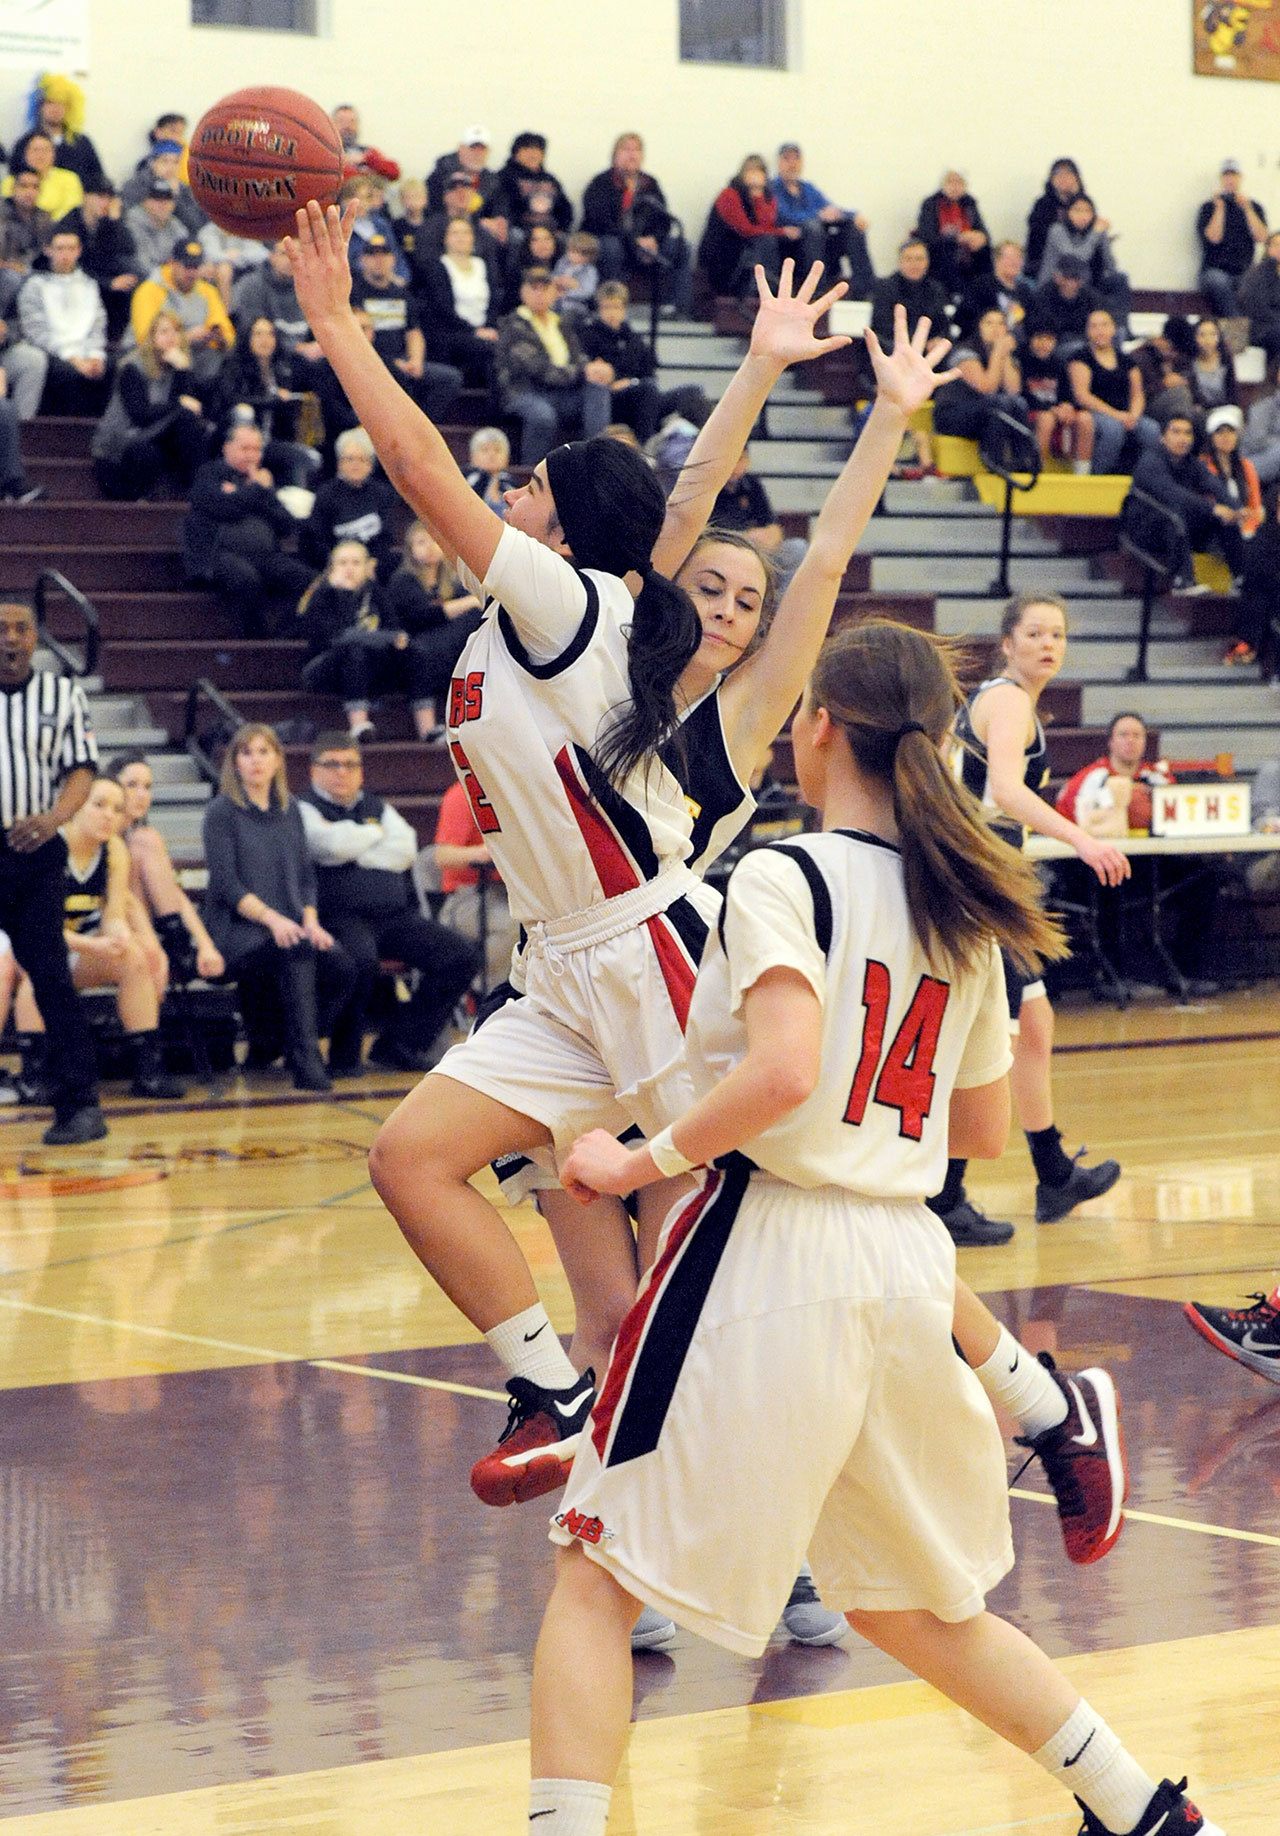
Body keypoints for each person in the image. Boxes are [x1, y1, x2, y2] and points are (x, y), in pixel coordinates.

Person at [531, 618, 1218, 1836]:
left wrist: (631, 1157)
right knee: (914, 1609)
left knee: (591, 1573)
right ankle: (1141, 1811)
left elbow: (784, 1072)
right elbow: (986, 1134)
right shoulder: (958, 905)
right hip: (903, 1262)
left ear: (818, 729)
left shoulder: (780, 876)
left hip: (765, 1246)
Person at [284, 202, 854, 1493]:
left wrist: (337, 327)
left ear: (563, 523)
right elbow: (682, 491)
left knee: (757, 1244)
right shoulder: (545, 614)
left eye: (531, 483)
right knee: (412, 1160)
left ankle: (996, 1405)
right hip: (563, 967)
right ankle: (550, 1387)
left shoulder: (574, 600)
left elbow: (425, 470)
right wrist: (759, 364)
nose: (509, 491)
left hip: (652, 946)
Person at [931, 594, 1129, 1246]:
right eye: (1035, 632)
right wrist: (1085, 840)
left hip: (987, 884)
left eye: (1058, 634)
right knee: (982, 1036)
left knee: (1031, 1025)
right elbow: (1006, 795)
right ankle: (947, 1194)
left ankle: (1051, 1173)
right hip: (977, 886)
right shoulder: (1010, 701)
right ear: (1008, 643)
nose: (1049, 643)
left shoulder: (1005, 701)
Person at [298, 733, 480, 1073]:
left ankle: (400, 1044)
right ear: (314, 770)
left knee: (459, 956)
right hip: (337, 915)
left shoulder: (377, 806)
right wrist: (373, 837)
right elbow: (329, 845)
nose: (342, 772)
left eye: (351, 764)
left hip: (394, 916)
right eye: (332, 764)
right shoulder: (303, 808)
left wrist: (353, 846)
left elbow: (406, 848)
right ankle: (344, 1055)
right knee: (361, 960)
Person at [201, 723, 358, 1092]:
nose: (255, 761)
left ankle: (283, 1039)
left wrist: (311, 920)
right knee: (296, 951)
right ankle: (307, 1062)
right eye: (246, 752)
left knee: (343, 966)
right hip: (235, 928)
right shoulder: (221, 812)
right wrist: (272, 919)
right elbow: (226, 885)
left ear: (277, 760)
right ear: (235, 763)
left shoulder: (291, 812)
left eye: (263, 752)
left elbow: (305, 876)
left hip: (288, 924)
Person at [0, 600, 106, 1144]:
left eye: (20, 628)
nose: (10, 638)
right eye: (1, 629)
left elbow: (82, 771)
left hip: (33, 850)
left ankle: (80, 1104)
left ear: (36, 637)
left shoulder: (62, 694)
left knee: (50, 976)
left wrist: (53, 820)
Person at [13, 775, 185, 1102]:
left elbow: (114, 915)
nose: (109, 815)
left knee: (133, 958)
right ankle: (33, 1076)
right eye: (99, 805)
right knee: (42, 971)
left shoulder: (115, 850)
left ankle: (147, 1071)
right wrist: (94, 945)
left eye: (117, 809)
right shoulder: (46, 848)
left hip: (74, 943)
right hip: (27, 942)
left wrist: (118, 936)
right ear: (75, 808)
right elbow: (37, 931)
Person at [298, 538, 449, 744]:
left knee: (415, 652)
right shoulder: (323, 594)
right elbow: (337, 637)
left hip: (367, 667)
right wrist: (343, 593)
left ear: (368, 567)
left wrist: (391, 640)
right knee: (353, 650)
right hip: (325, 667)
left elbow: (395, 631)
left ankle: (428, 729)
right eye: (343, 563)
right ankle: (359, 727)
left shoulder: (375, 591)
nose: (349, 569)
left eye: (356, 563)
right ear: (332, 568)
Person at [182, 422, 313, 635]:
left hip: (265, 556)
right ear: (227, 448)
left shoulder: (261, 482)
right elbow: (226, 509)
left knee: (309, 580)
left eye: (257, 449)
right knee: (246, 579)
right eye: (245, 448)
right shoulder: (209, 474)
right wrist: (257, 491)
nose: (252, 456)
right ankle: (255, 640)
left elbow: (285, 525)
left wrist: (265, 493)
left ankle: (285, 632)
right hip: (218, 554)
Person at [110, 751, 225, 985]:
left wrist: (205, 944)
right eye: (132, 785)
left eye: (147, 787)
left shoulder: (138, 837)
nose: (142, 795)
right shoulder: (106, 835)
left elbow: (172, 892)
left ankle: (177, 946)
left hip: (144, 925)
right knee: (145, 840)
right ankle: (176, 947)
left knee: (145, 839)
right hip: (107, 922)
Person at [495, 266, 614, 463]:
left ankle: (597, 460)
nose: (540, 294)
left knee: (598, 389)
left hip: (562, 392)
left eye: (545, 288)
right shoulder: (513, 325)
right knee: (543, 415)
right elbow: (539, 369)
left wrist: (595, 370)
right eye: (534, 289)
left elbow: (578, 357)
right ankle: (531, 473)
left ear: (554, 293)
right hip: (524, 391)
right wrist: (584, 371)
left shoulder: (561, 322)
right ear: (523, 292)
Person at [91, 309, 210, 500]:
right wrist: (179, 404)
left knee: (190, 424)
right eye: (164, 332)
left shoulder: (178, 364)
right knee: (149, 451)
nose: (171, 337)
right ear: (152, 338)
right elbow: (141, 415)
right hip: (122, 441)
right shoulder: (132, 367)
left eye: (176, 331)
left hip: (154, 434)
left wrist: (183, 371)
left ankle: (200, 490)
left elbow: (187, 409)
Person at [348, 232, 462, 422]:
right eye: (372, 255)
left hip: (403, 360)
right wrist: (393, 364)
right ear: (362, 260)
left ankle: (422, 426)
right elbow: (357, 339)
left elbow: (414, 332)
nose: (379, 260)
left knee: (450, 378)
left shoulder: (402, 294)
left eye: (384, 255)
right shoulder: (354, 294)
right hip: (371, 364)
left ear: (393, 259)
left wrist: (415, 360)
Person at [382, 519, 483, 731]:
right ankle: (427, 730)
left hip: (443, 650)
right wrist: (471, 601)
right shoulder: (402, 580)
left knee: (474, 621)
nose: (429, 547)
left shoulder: (452, 579)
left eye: (434, 541)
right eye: (421, 542)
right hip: (408, 650)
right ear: (409, 549)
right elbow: (423, 616)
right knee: (423, 654)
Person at [1129, 411, 1246, 591]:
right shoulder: (1150, 461)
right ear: (1162, 437)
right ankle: (1183, 581)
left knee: (1226, 520)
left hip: (1178, 525)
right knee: (1177, 517)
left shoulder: (1192, 463)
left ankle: (1241, 579)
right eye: (1176, 432)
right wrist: (1213, 508)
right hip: (1145, 527)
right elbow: (1172, 494)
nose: (1182, 438)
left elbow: (1214, 485)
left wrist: (1237, 509)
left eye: (1187, 433)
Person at [580, 132, 693, 316]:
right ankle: (612, 306)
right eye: (626, 149)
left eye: (636, 150)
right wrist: (634, 241)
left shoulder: (650, 184)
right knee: (611, 247)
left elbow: (663, 220)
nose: (632, 154)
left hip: (645, 244)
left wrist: (654, 239)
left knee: (682, 247)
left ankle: (678, 309)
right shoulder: (601, 183)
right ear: (615, 154)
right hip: (616, 241)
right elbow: (599, 221)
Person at [211, 314, 319, 490]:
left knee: (310, 458)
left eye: (270, 334)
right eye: (258, 334)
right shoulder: (233, 364)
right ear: (248, 337)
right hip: (235, 438)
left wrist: (291, 401)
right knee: (244, 411)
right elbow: (229, 400)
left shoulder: (283, 368)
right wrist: (272, 401)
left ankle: (295, 509)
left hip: (270, 439)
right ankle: (242, 478)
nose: (265, 340)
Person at [433, 777, 519, 988]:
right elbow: (442, 856)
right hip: (466, 898)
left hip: (508, 892)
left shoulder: (512, 792)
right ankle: (485, 994)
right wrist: (483, 853)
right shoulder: (462, 794)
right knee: (513, 925)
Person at [17, 227, 109, 414]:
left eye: (70, 248)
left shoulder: (89, 284)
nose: (65, 254)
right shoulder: (34, 286)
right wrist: (73, 358)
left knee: (110, 367)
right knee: (68, 373)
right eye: (60, 248)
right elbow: (36, 332)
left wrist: (95, 355)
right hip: (52, 351)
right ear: (48, 250)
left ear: (78, 251)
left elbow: (97, 325)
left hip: (84, 350)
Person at [1202, 403, 1267, 663]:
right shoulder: (1203, 466)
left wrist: (1249, 523)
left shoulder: (1246, 467)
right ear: (1211, 437)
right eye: (1220, 432)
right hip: (1216, 531)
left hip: (1246, 532)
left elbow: (1256, 507)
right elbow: (1206, 504)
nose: (1226, 437)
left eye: (1230, 432)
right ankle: (1242, 574)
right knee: (1228, 527)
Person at [770, 141, 874, 296]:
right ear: (779, 162)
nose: (792, 164)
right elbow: (783, 215)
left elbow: (829, 209)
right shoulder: (772, 188)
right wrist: (817, 216)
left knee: (853, 228)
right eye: (787, 159)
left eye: (796, 159)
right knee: (813, 227)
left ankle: (865, 289)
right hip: (791, 247)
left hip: (819, 246)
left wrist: (853, 215)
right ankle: (817, 289)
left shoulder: (807, 188)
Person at [129, 238, 235, 388]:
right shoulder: (149, 290)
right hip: (147, 361)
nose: (192, 273)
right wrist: (186, 338)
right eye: (187, 266)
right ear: (172, 263)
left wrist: (218, 337)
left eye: (196, 267)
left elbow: (227, 334)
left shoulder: (207, 291)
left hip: (193, 359)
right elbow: (146, 340)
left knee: (219, 360)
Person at [1067, 306, 1157, 475]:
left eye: (1104, 325)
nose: (1100, 330)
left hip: (1125, 414)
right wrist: (1116, 415)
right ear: (1087, 331)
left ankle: (1143, 479)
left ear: (1114, 329)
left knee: (1151, 430)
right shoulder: (1080, 358)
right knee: (1113, 429)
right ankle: (1099, 476)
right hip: (1094, 413)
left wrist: (1133, 416)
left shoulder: (1127, 361)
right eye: (1094, 326)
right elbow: (1082, 395)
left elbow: (1137, 394)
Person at [303, 426, 401, 577]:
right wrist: (339, 564)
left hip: (372, 566)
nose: (356, 464)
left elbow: (386, 536)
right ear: (340, 463)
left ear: (370, 465)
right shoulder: (326, 494)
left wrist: (372, 563)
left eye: (362, 459)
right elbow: (316, 539)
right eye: (350, 459)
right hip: (335, 565)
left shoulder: (383, 494)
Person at [417, 216, 502, 385]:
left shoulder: (482, 264)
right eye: (455, 233)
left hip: (485, 329)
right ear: (445, 238)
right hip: (452, 331)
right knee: (491, 350)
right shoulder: (438, 266)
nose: (461, 237)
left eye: (465, 232)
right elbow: (443, 308)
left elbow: (494, 301)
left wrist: (489, 326)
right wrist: (474, 331)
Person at [1056, 712, 1172, 830]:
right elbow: (1062, 817)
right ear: (1111, 741)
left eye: (1137, 735)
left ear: (1145, 742)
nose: (1130, 740)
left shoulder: (1160, 778)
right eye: (1123, 735)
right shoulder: (1089, 778)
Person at [576, 281, 662, 440]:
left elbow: (649, 373)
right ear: (599, 309)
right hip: (603, 396)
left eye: (616, 307)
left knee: (688, 392)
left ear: (624, 309)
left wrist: (632, 382)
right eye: (606, 307)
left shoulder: (634, 339)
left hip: (634, 391)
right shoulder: (587, 336)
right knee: (648, 391)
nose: (612, 313)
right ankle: (644, 444)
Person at [931, 306, 1027, 444]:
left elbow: (1014, 391)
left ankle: (1021, 461)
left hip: (984, 410)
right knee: (998, 405)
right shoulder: (964, 353)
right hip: (953, 413)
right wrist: (998, 352)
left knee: (1019, 404)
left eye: (1001, 324)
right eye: (989, 323)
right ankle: (995, 460)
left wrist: (1004, 356)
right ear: (979, 327)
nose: (996, 328)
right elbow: (987, 389)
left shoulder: (1004, 353)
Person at [1035, 193, 1129, 325]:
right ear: (1068, 213)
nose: (1083, 216)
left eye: (1088, 211)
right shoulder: (1057, 230)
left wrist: (1103, 238)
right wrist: (1095, 233)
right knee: (1084, 290)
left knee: (1120, 279)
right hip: (1058, 284)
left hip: (1087, 283)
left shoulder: (1095, 231)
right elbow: (1075, 259)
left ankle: (1120, 330)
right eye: (1077, 210)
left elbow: (1111, 265)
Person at [64, 178, 138, 341]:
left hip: (101, 275)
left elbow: (127, 249)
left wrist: (113, 223)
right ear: (85, 197)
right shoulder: (70, 223)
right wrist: (108, 283)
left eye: (109, 198)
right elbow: (74, 265)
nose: (105, 202)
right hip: (73, 279)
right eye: (100, 196)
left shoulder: (107, 222)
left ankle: (119, 340)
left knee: (131, 275)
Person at [699, 156, 785, 297]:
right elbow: (745, 229)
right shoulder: (729, 195)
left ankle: (769, 289)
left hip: (750, 247)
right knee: (764, 242)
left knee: (769, 243)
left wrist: (758, 199)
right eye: (751, 171)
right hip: (725, 252)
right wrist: (781, 232)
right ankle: (756, 291)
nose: (755, 176)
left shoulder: (768, 197)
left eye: (759, 172)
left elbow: (766, 225)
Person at [1197, 157, 1268, 317]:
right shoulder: (1208, 208)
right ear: (1221, 179)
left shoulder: (1253, 207)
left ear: (1240, 178)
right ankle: (1237, 330)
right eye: (1227, 175)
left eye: (1234, 175)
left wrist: (1247, 209)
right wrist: (1220, 208)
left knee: (1254, 284)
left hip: (1244, 270)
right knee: (1219, 282)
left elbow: (1262, 238)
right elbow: (1214, 238)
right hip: (1215, 270)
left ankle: (1240, 330)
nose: (1230, 180)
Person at [12, 75, 105, 193]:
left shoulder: (82, 143)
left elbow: (98, 181)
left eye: (61, 103)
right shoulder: (25, 143)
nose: (55, 108)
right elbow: (13, 182)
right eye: (50, 102)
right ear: (40, 106)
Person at [1019, 322, 1091, 469]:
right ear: (1030, 339)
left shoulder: (1059, 363)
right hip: (1033, 411)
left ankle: (1082, 471)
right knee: (1047, 419)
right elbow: (1022, 395)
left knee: (1085, 419)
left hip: (1055, 410)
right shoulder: (1022, 361)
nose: (1044, 344)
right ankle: (1037, 469)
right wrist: (1052, 409)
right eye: (1039, 338)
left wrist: (1067, 406)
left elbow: (1068, 394)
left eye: (1049, 339)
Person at [914, 169, 991, 299]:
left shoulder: (969, 204)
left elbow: (982, 231)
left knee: (985, 253)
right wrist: (958, 239)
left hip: (968, 260)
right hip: (941, 260)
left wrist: (980, 238)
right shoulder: (931, 204)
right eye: (951, 182)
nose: (955, 186)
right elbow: (927, 237)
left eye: (959, 182)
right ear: (943, 185)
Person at [869, 237, 950, 349]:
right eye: (908, 259)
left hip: (927, 349)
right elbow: (882, 328)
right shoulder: (885, 288)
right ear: (900, 262)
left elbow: (942, 324)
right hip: (892, 348)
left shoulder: (936, 289)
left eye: (919, 259)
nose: (914, 264)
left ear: (927, 262)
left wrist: (938, 340)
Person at [425, 126, 507, 236]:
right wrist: (478, 223)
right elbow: (434, 210)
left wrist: (498, 222)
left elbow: (499, 208)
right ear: (461, 149)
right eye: (473, 148)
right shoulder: (441, 175)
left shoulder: (492, 180)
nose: (477, 154)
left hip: (481, 234)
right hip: (445, 230)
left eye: (482, 149)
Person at [493, 131, 573, 237]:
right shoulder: (503, 177)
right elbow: (503, 209)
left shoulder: (551, 180)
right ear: (516, 153)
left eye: (538, 149)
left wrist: (562, 228)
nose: (533, 154)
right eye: (527, 149)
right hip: (520, 231)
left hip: (551, 234)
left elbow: (565, 208)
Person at [1027, 254, 1102, 357]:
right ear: (1057, 277)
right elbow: (1043, 328)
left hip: (1084, 341)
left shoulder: (1090, 297)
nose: (1072, 283)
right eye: (1067, 277)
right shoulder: (1043, 295)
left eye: (1076, 278)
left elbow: (1096, 321)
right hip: (1054, 345)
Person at [1025, 156, 1086, 276]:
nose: (1063, 178)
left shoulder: (1083, 204)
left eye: (1068, 173)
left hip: (1080, 260)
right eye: (1058, 174)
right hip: (1047, 262)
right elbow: (1043, 237)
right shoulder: (1042, 205)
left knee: (1118, 279)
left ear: (1077, 178)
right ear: (1051, 180)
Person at [2, 132, 83, 223]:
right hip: (17, 231)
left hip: (58, 230)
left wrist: (45, 224)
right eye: (35, 150)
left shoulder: (69, 179)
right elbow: (7, 211)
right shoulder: (11, 181)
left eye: (46, 150)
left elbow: (71, 212)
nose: (40, 155)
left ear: (54, 153)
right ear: (25, 153)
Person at [959, 239, 1034, 335]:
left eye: (1018, 257)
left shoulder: (1024, 291)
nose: (1015, 262)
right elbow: (966, 318)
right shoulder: (981, 285)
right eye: (1009, 257)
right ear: (997, 259)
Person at [123, 180, 185, 280]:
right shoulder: (132, 224)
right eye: (157, 199)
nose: (163, 204)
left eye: (167, 199)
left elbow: (187, 249)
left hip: (171, 279)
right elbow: (142, 266)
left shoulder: (174, 223)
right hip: (144, 282)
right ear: (145, 202)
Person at [1237, 226, 1280, 363]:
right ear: (1268, 248)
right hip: (1261, 327)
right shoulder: (1257, 273)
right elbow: (1257, 306)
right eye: (1276, 244)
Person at [331, 104, 400, 184]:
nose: (347, 126)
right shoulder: (327, 153)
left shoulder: (368, 152)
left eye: (352, 121)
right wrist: (343, 162)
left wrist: (367, 159)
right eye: (341, 121)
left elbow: (394, 173)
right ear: (332, 124)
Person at [1187, 314, 1238, 414]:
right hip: (1200, 411)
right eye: (1202, 335)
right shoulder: (1189, 362)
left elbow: (1232, 394)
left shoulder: (1226, 360)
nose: (1207, 340)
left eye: (1213, 334)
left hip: (1223, 409)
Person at [551, 232, 601, 321]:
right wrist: (557, 281)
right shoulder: (562, 262)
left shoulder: (589, 271)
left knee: (570, 312)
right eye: (572, 251)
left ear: (589, 256)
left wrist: (568, 293)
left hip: (575, 304)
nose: (575, 256)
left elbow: (588, 292)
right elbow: (554, 276)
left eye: (581, 253)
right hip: (555, 299)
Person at [463, 425, 515, 507]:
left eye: (497, 450)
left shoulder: (512, 484)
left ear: (507, 457)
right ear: (472, 456)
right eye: (485, 450)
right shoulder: (463, 481)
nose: (492, 455)